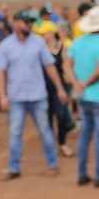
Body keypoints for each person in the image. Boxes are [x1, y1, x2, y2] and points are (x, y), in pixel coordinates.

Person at [0, 10, 69, 181]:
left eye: (31, 22)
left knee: (45, 130)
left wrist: (60, 89)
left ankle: (52, 164)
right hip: (16, 97)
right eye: (25, 21)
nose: (29, 24)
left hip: (38, 96)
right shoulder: (6, 45)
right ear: (16, 23)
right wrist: (2, 96)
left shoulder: (38, 43)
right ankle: (14, 167)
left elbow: (50, 67)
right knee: (15, 132)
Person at [67, 6, 99, 188]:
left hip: (83, 96)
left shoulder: (77, 42)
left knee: (86, 135)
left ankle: (82, 174)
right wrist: (85, 83)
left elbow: (67, 65)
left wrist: (77, 84)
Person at [34, 16, 76, 158]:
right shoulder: (39, 49)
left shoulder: (62, 46)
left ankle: (62, 143)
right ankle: (52, 145)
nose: (41, 36)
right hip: (42, 88)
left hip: (60, 87)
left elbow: (67, 65)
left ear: (52, 33)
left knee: (62, 115)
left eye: (43, 33)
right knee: (47, 117)